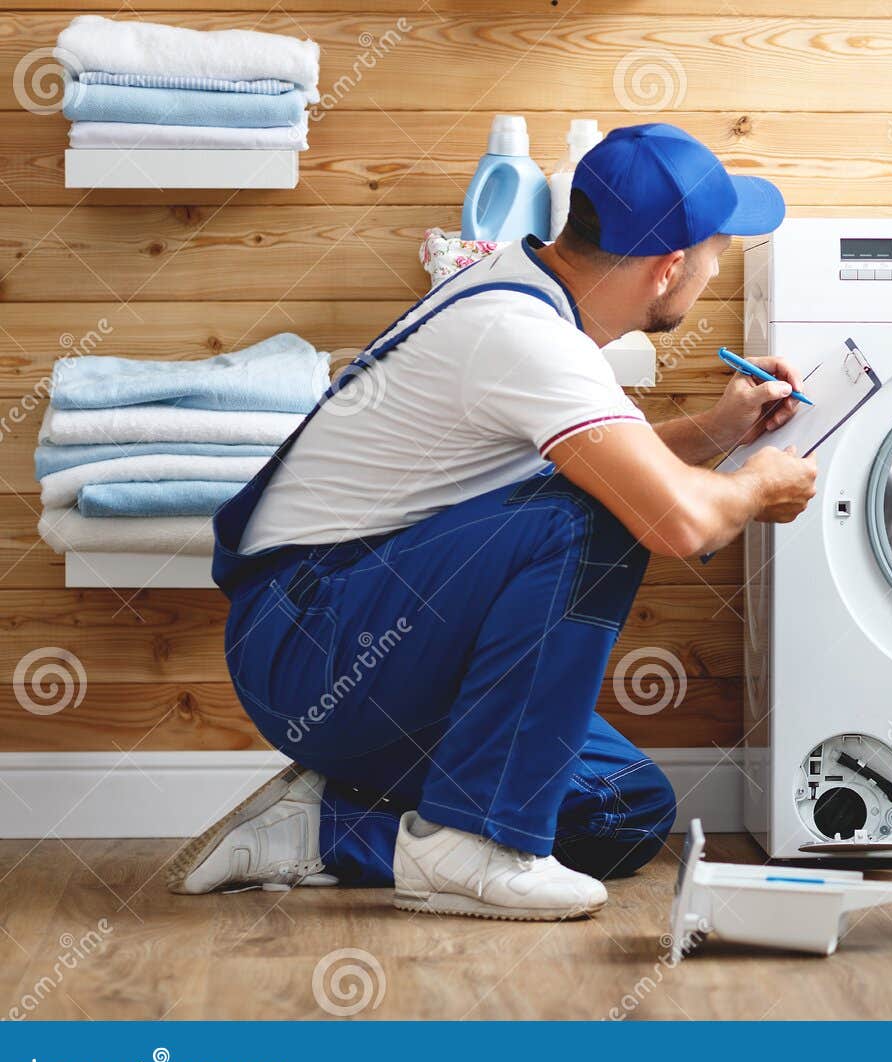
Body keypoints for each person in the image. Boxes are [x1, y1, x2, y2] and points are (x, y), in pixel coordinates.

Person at [164, 123, 817, 921]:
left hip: (350, 630)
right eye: (716, 251)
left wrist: (721, 435)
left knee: (626, 807)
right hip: (311, 642)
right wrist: (758, 485)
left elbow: (599, 466)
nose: (715, 270)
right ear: (669, 268)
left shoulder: (524, 290)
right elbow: (675, 522)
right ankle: (471, 848)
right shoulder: (530, 341)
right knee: (594, 520)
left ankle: (329, 821)